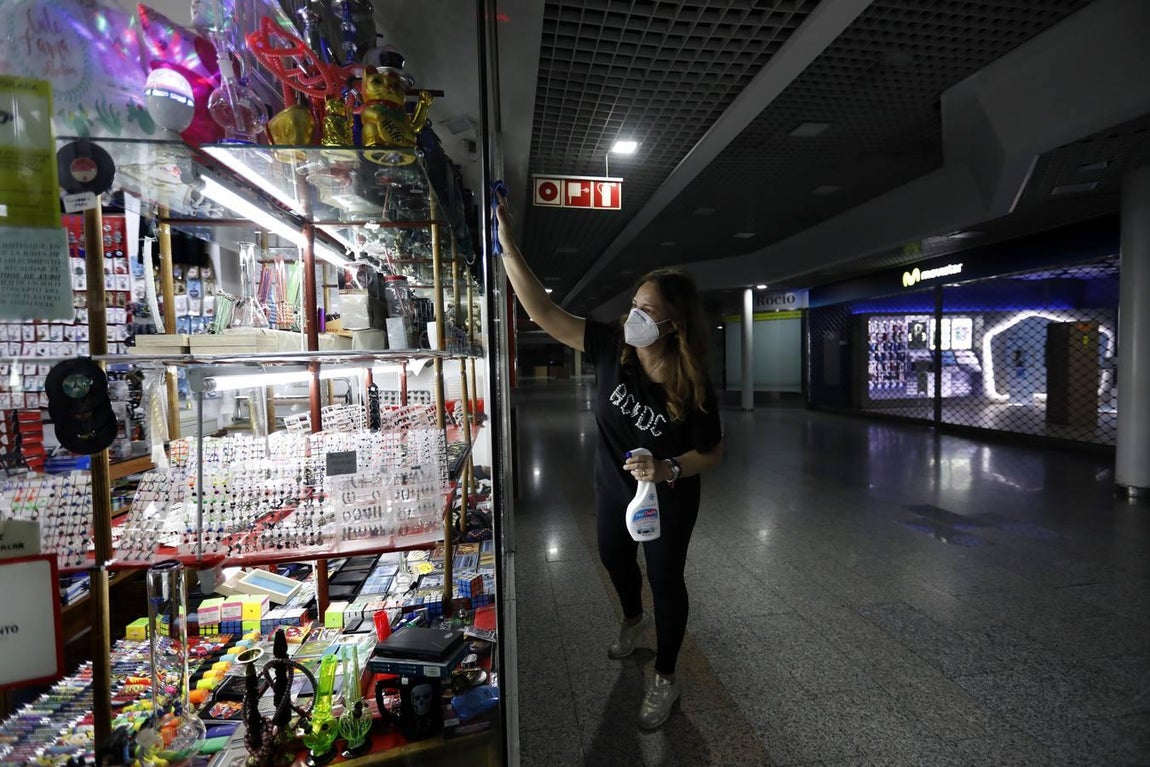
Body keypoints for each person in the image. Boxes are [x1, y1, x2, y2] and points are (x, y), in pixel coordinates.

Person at [495, 195, 724, 729]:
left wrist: (669, 469)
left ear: (674, 326)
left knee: (666, 579)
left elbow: (714, 451)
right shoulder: (610, 346)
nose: (634, 316)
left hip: (668, 495)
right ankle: (631, 618)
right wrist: (509, 245)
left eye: (648, 311)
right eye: (634, 304)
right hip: (613, 489)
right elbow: (542, 313)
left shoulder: (693, 386)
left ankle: (665, 677)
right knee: (614, 559)